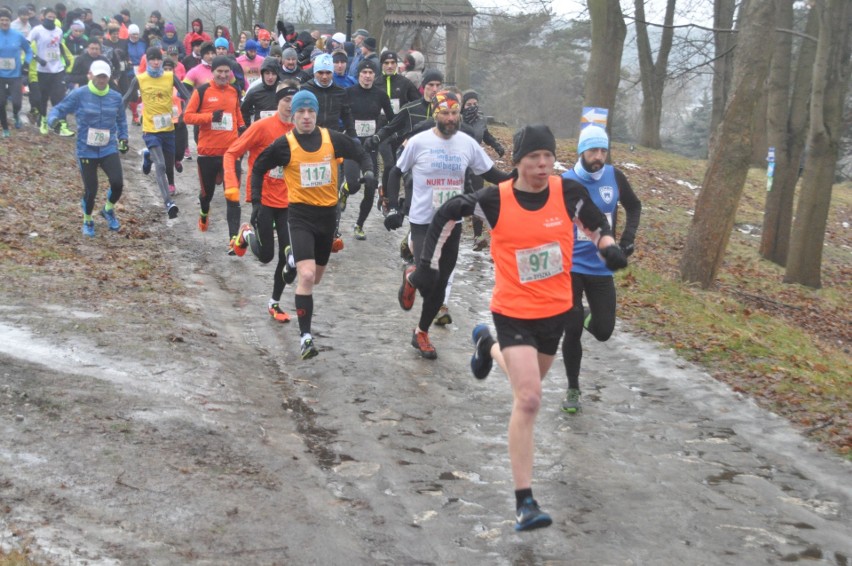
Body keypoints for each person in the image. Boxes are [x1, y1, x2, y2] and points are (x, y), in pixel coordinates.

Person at [409, 124, 627, 531]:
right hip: (512, 309)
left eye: (548, 157)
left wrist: (608, 248)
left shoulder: (569, 193)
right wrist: (427, 265)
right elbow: (445, 214)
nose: (542, 165)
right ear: (519, 162)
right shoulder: (494, 199)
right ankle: (524, 502)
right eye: (533, 158)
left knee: (525, 381)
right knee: (528, 399)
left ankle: (486, 348)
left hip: (556, 310)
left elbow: (597, 225)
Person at [382, 91, 511, 359]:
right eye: (445, 113)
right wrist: (393, 205)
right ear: (435, 114)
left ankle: (421, 332)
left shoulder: (467, 143)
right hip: (423, 220)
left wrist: (518, 179)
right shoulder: (419, 142)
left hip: (452, 222)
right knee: (428, 279)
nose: (450, 118)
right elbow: (395, 172)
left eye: (455, 113)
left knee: (440, 287)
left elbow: (490, 174)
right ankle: (412, 276)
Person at [250, 90, 376, 360]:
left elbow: (359, 151)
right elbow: (259, 167)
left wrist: (368, 171)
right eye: (300, 112)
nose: (306, 117)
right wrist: (257, 203)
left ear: (316, 114)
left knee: (315, 277)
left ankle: (293, 260)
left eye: (310, 112)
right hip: (300, 216)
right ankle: (306, 337)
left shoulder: (331, 139)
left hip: (327, 217)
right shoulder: (284, 144)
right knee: (306, 277)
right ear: (292, 115)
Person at [559, 125, 641, 413]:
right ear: (581, 151)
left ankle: (584, 316)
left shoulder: (614, 176)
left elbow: (634, 206)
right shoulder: (565, 182)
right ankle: (572, 388)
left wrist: (627, 239)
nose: (599, 156)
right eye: (593, 150)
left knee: (604, 331)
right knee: (571, 330)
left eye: (603, 150)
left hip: (601, 266)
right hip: (570, 266)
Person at [227, 81, 299, 322]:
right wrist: (232, 184)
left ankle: (275, 303)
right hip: (264, 198)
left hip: (290, 200)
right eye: (286, 100)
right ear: (277, 102)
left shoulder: (302, 131)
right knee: (267, 255)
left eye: (294, 101)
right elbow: (233, 152)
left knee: (289, 255)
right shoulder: (262, 127)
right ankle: (246, 233)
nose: (290, 106)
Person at [47, 60, 128, 236]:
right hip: (86, 149)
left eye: (104, 76)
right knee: (91, 189)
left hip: (108, 148)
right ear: (91, 75)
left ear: (109, 77)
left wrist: (123, 138)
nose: (101, 79)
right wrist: (53, 120)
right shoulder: (79, 94)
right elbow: (59, 109)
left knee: (117, 183)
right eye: (98, 75)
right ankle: (88, 220)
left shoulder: (115, 97)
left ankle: (107, 209)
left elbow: (121, 119)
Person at [183, 55, 246, 250]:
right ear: (213, 72)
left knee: (232, 196)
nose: (223, 75)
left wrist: (243, 128)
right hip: (207, 154)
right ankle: (204, 212)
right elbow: (187, 117)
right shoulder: (202, 91)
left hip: (230, 153)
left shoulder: (234, 91)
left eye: (227, 72)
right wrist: (210, 117)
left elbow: (237, 115)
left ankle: (233, 239)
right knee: (207, 194)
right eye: (220, 71)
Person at [123, 46, 191, 218]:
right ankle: (169, 202)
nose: (155, 62)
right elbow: (125, 98)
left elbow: (187, 95)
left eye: (158, 59)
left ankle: (148, 156)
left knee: (168, 165)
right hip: (150, 129)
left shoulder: (169, 76)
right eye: (152, 59)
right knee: (160, 166)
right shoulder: (140, 79)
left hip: (168, 129)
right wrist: (114, 115)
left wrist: (187, 111)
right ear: (147, 61)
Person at [342, 59, 393, 241]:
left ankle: (359, 225)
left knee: (371, 184)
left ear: (375, 76)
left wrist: (379, 133)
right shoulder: (348, 93)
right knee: (354, 184)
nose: (367, 76)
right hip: (351, 144)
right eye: (364, 72)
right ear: (359, 75)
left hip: (371, 146)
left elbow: (391, 119)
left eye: (371, 73)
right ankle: (346, 191)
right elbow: (340, 115)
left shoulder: (380, 95)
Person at [460, 89, 506, 251]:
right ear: (462, 106)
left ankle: (477, 236)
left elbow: (486, 136)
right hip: (457, 165)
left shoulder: (481, 121)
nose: (472, 107)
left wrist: (497, 146)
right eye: (468, 104)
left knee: (477, 200)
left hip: (476, 166)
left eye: (475, 104)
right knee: (454, 199)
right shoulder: (457, 121)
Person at [27, 6, 73, 135]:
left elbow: (59, 45)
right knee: (43, 97)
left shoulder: (58, 30)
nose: (51, 19)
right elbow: (26, 45)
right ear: (43, 17)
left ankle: (62, 125)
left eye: (53, 17)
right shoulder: (37, 30)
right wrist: (37, 58)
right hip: (43, 70)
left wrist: (65, 58)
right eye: (49, 17)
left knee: (59, 97)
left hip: (57, 69)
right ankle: (43, 120)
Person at [0, 7, 33, 137]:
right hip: (0, 75)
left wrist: (26, 64)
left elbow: (29, 51)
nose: (4, 22)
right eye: (1, 20)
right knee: (1, 102)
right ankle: (5, 128)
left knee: (17, 103)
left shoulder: (18, 35)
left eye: (6, 20)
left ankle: (15, 115)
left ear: (10, 21)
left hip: (15, 75)